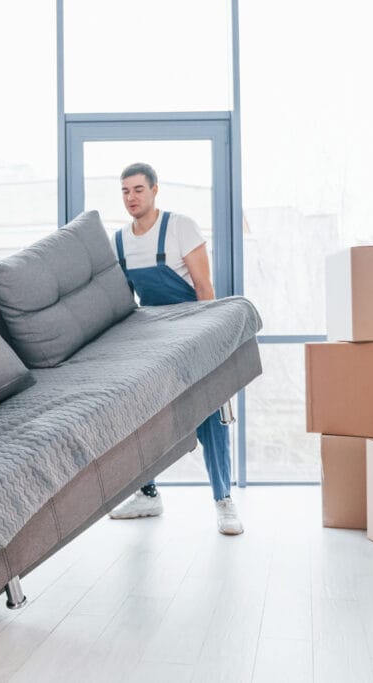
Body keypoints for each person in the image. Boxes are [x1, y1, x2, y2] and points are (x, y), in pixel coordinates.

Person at [108, 162, 243, 535]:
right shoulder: (119, 241)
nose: (131, 198)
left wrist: (209, 346)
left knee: (210, 416)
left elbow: (204, 289)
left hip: (192, 334)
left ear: (154, 190)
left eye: (137, 189)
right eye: (125, 191)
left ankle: (224, 500)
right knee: (142, 419)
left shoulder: (181, 227)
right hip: (153, 342)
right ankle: (147, 494)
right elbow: (126, 302)